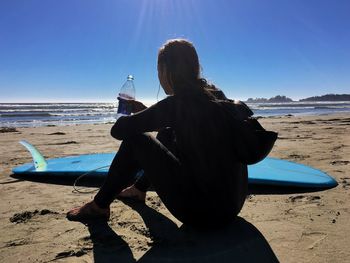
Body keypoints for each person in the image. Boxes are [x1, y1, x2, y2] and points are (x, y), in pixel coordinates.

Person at [67, 39, 269, 228]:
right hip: (231, 208)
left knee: (136, 140)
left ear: (166, 69)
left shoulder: (177, 104)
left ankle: (99, 206)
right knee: (166, 135)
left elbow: (118, 131)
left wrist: (134, 114)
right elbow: (187, 124)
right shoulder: (217, 97)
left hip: (202, 215)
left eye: (158, 70)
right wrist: (146, 112)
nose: (158, 76)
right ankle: (138, 190)